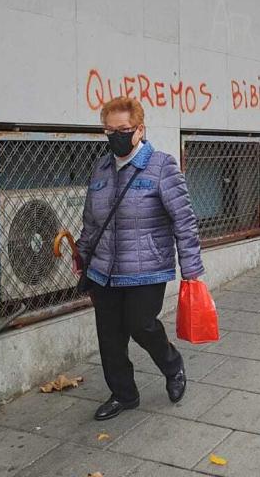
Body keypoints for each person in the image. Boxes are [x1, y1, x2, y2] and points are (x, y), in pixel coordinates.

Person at [75, 97, 205, 421]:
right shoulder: (102, 168)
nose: (115, 135)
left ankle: (172, 365)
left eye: (123, 129)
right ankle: (123, 393)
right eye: (109, 130)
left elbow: (184, 220)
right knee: (109, 335)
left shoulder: (161, 165)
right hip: (104, 269)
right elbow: (92, 219)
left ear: (140, 129)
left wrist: (191, 270)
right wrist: (83, 252)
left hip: (147, 267)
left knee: (141, 325)